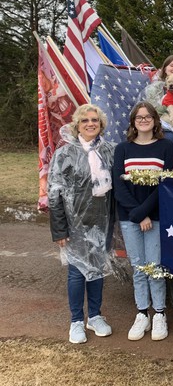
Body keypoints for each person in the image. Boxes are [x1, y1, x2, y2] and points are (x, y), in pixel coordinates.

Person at [48, 104, 116, 344]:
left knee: (98, 270)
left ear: (101, 124)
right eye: (85, 120)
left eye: (95, 120)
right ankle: (76, 320)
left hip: (102, 220)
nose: (90, 124)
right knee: (77, 272)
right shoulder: (65, 154)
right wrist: (59, 229)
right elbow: (54, 192)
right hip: (74, 224)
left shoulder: (109, 151)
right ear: (77, 124)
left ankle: (95, 316)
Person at [112, 102, 173, 342]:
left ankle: (159, 313)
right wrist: (138, 215)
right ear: (132, 122)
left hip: (156, 216)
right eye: (139, 117)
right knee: (139, 268)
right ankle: (142, 313)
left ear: (155, 120)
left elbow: (165, 184)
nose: (143, 120)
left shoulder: (166, 146)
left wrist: (146, 213)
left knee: (155, 267)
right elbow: (119, 187)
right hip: (130, 218)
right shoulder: (123, 149)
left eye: (147, 116)